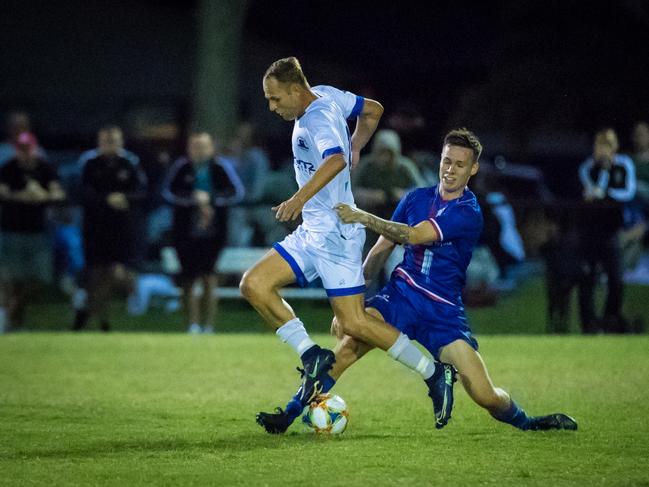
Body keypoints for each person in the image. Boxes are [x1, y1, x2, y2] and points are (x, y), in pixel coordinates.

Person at [258, 128, 577, 434]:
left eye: (460, 164)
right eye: (446, 161)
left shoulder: (469, 211)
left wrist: (364, 217)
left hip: (443, 312)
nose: (450, 170)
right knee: (347, 345)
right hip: (401, 296)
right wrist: (352, 303)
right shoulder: (416, 198)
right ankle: (288, 413)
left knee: (484, 394)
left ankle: (528, 422)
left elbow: (412, 235)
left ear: (473, 169)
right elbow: (383, 247)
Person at [245, 57, 457, 434]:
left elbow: (335, 160)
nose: (272, 107)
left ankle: (434, 373)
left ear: (295, 90)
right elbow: (374, 111)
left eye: (275, 99)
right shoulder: (328, 95)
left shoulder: (317, 118)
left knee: (355, 324)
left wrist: (299, 197)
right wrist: (359, 143)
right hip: (314, 231)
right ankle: (311, 355)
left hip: (338, 236)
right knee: (254, 285)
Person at [162, 132, 244, 334]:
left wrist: (211, 199)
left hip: (213, 232)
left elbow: (236, 192)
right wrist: (193, 199)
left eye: (203, 146)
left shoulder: (220, 167)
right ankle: (192, 325)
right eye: (195, 146)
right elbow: (168, 192)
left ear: (211, 148)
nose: (199, 150)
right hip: (185, 231)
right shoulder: (181, 168)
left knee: (209, 276)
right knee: (188, 278)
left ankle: (208, 326)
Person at [74, 126, 148, 331]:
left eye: (114, 140)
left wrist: (125, 198)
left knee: (116, 273)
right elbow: (82, 192)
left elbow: (142, 193)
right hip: (95, 228)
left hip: (122, 228)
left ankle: (87, 311)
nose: (110, 145)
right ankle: (102, 321)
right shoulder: (90, 163)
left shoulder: (130, 163)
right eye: (106, 140)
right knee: (96, 273)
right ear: (99, 142)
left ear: (121, 141)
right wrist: (106, 199)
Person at [0, 132, 65, 330]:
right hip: (13, 231)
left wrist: (41, 195)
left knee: (38, 279)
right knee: (13, 279)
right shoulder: (9, 168)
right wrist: (24, 196)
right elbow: (2, 193)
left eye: (28, 149)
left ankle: (14, 314)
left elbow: (57, 192)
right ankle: (12, 321)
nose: (25, 153)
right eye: (22, 149)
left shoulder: (45, 167)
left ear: (35, 148)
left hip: (39, 232)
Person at [577, 128, 638, 333]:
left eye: (605, 147)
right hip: (591, 230)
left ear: (614, 148)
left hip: (612, 231)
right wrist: (602, 172)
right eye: (598, 146)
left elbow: (627, 193)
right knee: (587, 278)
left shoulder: (624, 165)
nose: (601, 151)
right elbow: (590, 191)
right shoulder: (588, 167)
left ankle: (610, 320)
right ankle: (589, 325)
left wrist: (605, 192)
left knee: (616, 279)